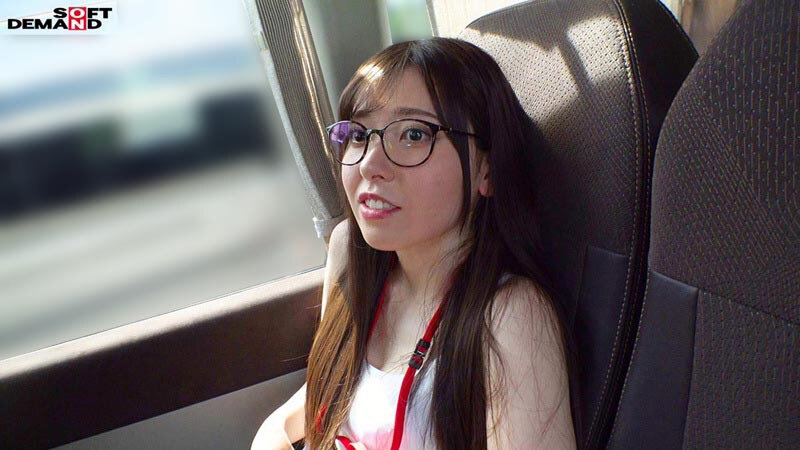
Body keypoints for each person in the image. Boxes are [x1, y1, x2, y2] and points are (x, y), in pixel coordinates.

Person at [252, 37, 576, 450]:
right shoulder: (351, 253)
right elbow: (330, 394)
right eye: (358, 135)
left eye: (414, 134)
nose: (370, 163)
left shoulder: (510, 317)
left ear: (487, 170)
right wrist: (273, 434)